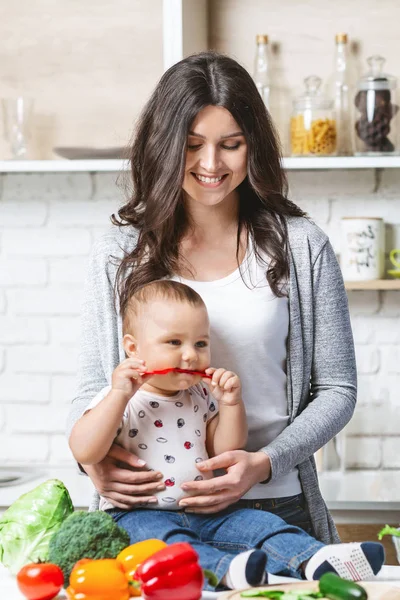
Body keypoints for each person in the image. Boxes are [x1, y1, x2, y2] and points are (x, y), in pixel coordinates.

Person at [66, 49, 373, 582]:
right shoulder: (120, 252)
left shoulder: (300, 245)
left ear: (253, 145)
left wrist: (266, 461)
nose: (212, 165)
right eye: (192, 146)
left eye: (231, 145)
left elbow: (337, 389)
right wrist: (94, 465)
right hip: (147, 513)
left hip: (273, 506)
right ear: (164, 148)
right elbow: (92, 384)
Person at [68, 280, 384, 590]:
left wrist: (230, 404)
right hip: (137, 516)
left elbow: (224, 448)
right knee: (170, 545)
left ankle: (317, 559)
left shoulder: (199, 394)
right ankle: (224, 571)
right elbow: (85, 451)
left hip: (207, 512)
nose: (190, 355)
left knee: (263, 527)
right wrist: (118, 395)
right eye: (174, 343)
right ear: (133, 348)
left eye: (200, 343)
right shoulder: (118, 398)